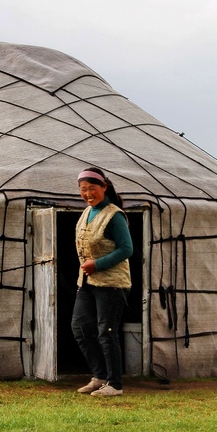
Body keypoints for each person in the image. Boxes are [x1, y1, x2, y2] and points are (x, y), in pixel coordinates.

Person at [71, 166, 133, 397]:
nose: (88, 194)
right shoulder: (87, 212)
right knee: (80, 327)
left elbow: (127, 249)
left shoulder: (114, 214)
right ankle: (99, 376)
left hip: (112, 283)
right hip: (87, 282)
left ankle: (115, 384)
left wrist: (97, 264)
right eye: (83, 190)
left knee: (106, 332)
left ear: (104, 187)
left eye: (92, 189)